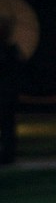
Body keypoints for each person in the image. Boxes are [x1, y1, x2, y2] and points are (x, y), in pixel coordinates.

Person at [0, 16, 22, 165]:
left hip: (7, 94)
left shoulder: (11, 50)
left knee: (8, 126)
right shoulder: (12, 50)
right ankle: (8, 153)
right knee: (8, 126)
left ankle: (8, 154)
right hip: (8, 93)